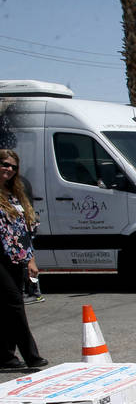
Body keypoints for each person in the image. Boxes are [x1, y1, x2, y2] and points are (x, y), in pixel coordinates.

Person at [0, 149, 48, 371]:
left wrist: (31, 260)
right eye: (4, 164)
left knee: (7, 308)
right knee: (15, 306)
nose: (8, 169)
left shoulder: (17, 193)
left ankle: (6, 357)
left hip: (16, 259)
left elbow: (26, 232)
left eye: (12, 166)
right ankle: (31, 356)